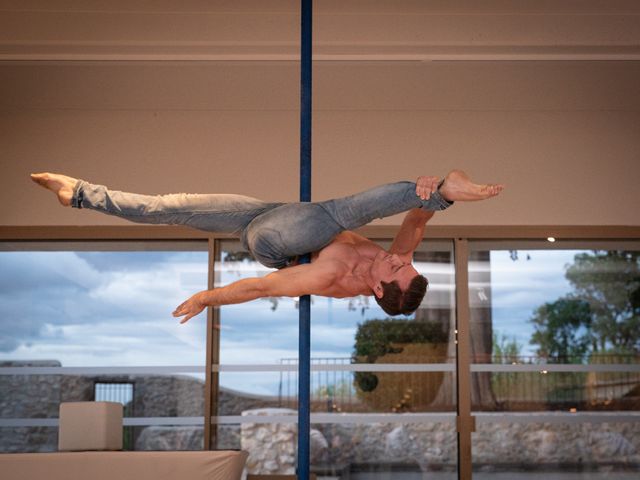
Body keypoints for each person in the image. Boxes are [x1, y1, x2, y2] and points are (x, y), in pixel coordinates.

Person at [30, 170, 504, 323]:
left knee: (340, 214)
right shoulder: (396, 264)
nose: (395, 257)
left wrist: (205, 298)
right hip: (277, 215)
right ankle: (79, 194)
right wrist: (428, 194)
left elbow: (259, 287)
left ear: (378, 291)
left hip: (277, 240)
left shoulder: (329, 278)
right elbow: (417, 223)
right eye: (402, 262)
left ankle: (446, 186)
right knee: (168, 207)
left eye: (394, 268)